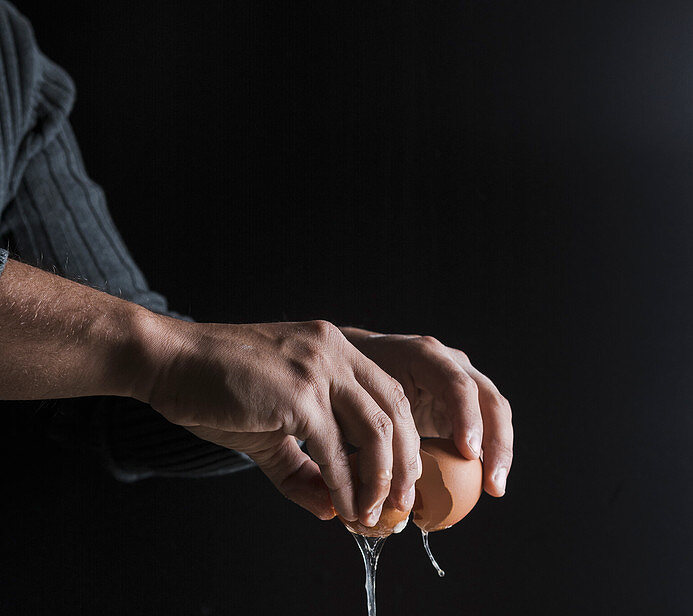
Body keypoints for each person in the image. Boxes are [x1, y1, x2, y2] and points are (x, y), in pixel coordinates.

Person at [0, 2, 513, 529]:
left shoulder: (9, 60)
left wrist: (332, 390)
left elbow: (99, 388)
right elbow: (144, 353)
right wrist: (168, 358)